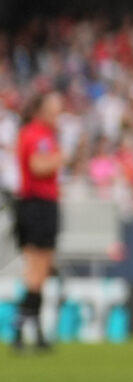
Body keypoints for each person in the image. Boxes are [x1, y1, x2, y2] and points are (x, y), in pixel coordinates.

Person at [10, 89, 61, 354]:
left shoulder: (35, 133)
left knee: (39, 274)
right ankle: (18, 329)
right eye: (55, 106)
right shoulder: (39, 135)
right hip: (38, 205)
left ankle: (36, 333)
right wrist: (60, 158)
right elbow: (38, 166)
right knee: (37, 273)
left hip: (33, 206)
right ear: (43, 110)